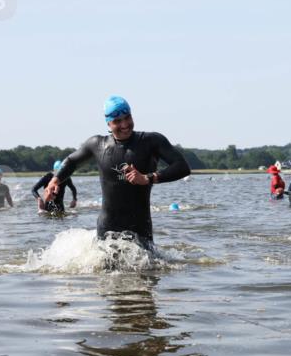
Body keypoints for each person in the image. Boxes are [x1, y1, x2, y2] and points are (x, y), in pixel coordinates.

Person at [44, 95, 189, 249]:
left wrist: (148, 178)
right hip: (107, 230)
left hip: (140, 229)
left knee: (147, 271)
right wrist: (55, 180)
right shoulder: (97, 144)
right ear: (108, 122)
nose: (125, 124)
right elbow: (72, 161)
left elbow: (182, 167)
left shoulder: (151, 141)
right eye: (118, 121)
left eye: (127, 117)